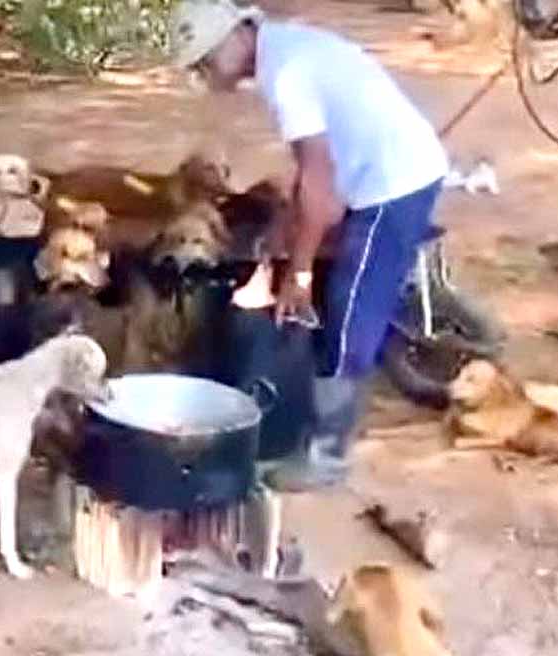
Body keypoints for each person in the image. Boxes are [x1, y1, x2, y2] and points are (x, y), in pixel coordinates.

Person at [171, 0, 448, 488]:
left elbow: (318, 186)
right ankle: (333, 403)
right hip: (390, 169)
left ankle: (327, 459)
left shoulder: (285, 75)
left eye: (205, 60)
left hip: (394, 184)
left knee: (348, 304)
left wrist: (297, 273)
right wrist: (285, 225)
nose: (207, 72)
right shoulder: (286, 49)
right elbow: (311, 176)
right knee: (351, 292)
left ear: (234, 36)